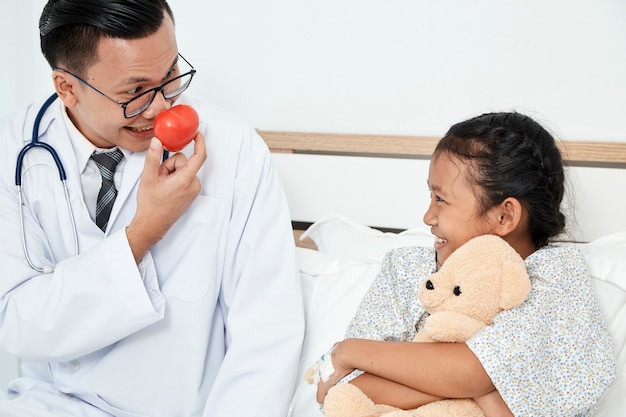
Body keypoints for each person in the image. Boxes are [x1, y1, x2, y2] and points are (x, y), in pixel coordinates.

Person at [0, 1, 304, 416]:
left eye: (171, 76)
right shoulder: (11, 152)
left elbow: (266, 336)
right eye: (136, 91)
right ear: (67, 87)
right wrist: (145, 231)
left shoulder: (234, 150)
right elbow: (14, 322)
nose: (162, 108)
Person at [315, 112, 616, 416]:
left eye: (441, 199)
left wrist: (351, 351)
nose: (428, 217)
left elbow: (474, 371)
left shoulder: (555, 279)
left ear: (504, 216)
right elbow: (345, 390)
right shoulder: (405, 270)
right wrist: (482, 392)